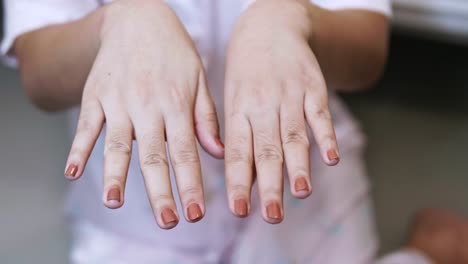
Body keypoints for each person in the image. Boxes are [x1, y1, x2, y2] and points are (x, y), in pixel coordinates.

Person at [3, 0, 464, 263]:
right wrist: (114, 23)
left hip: (303, 194)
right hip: (139, 213)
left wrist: (294, 18)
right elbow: (40, 72)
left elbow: (367, 53)